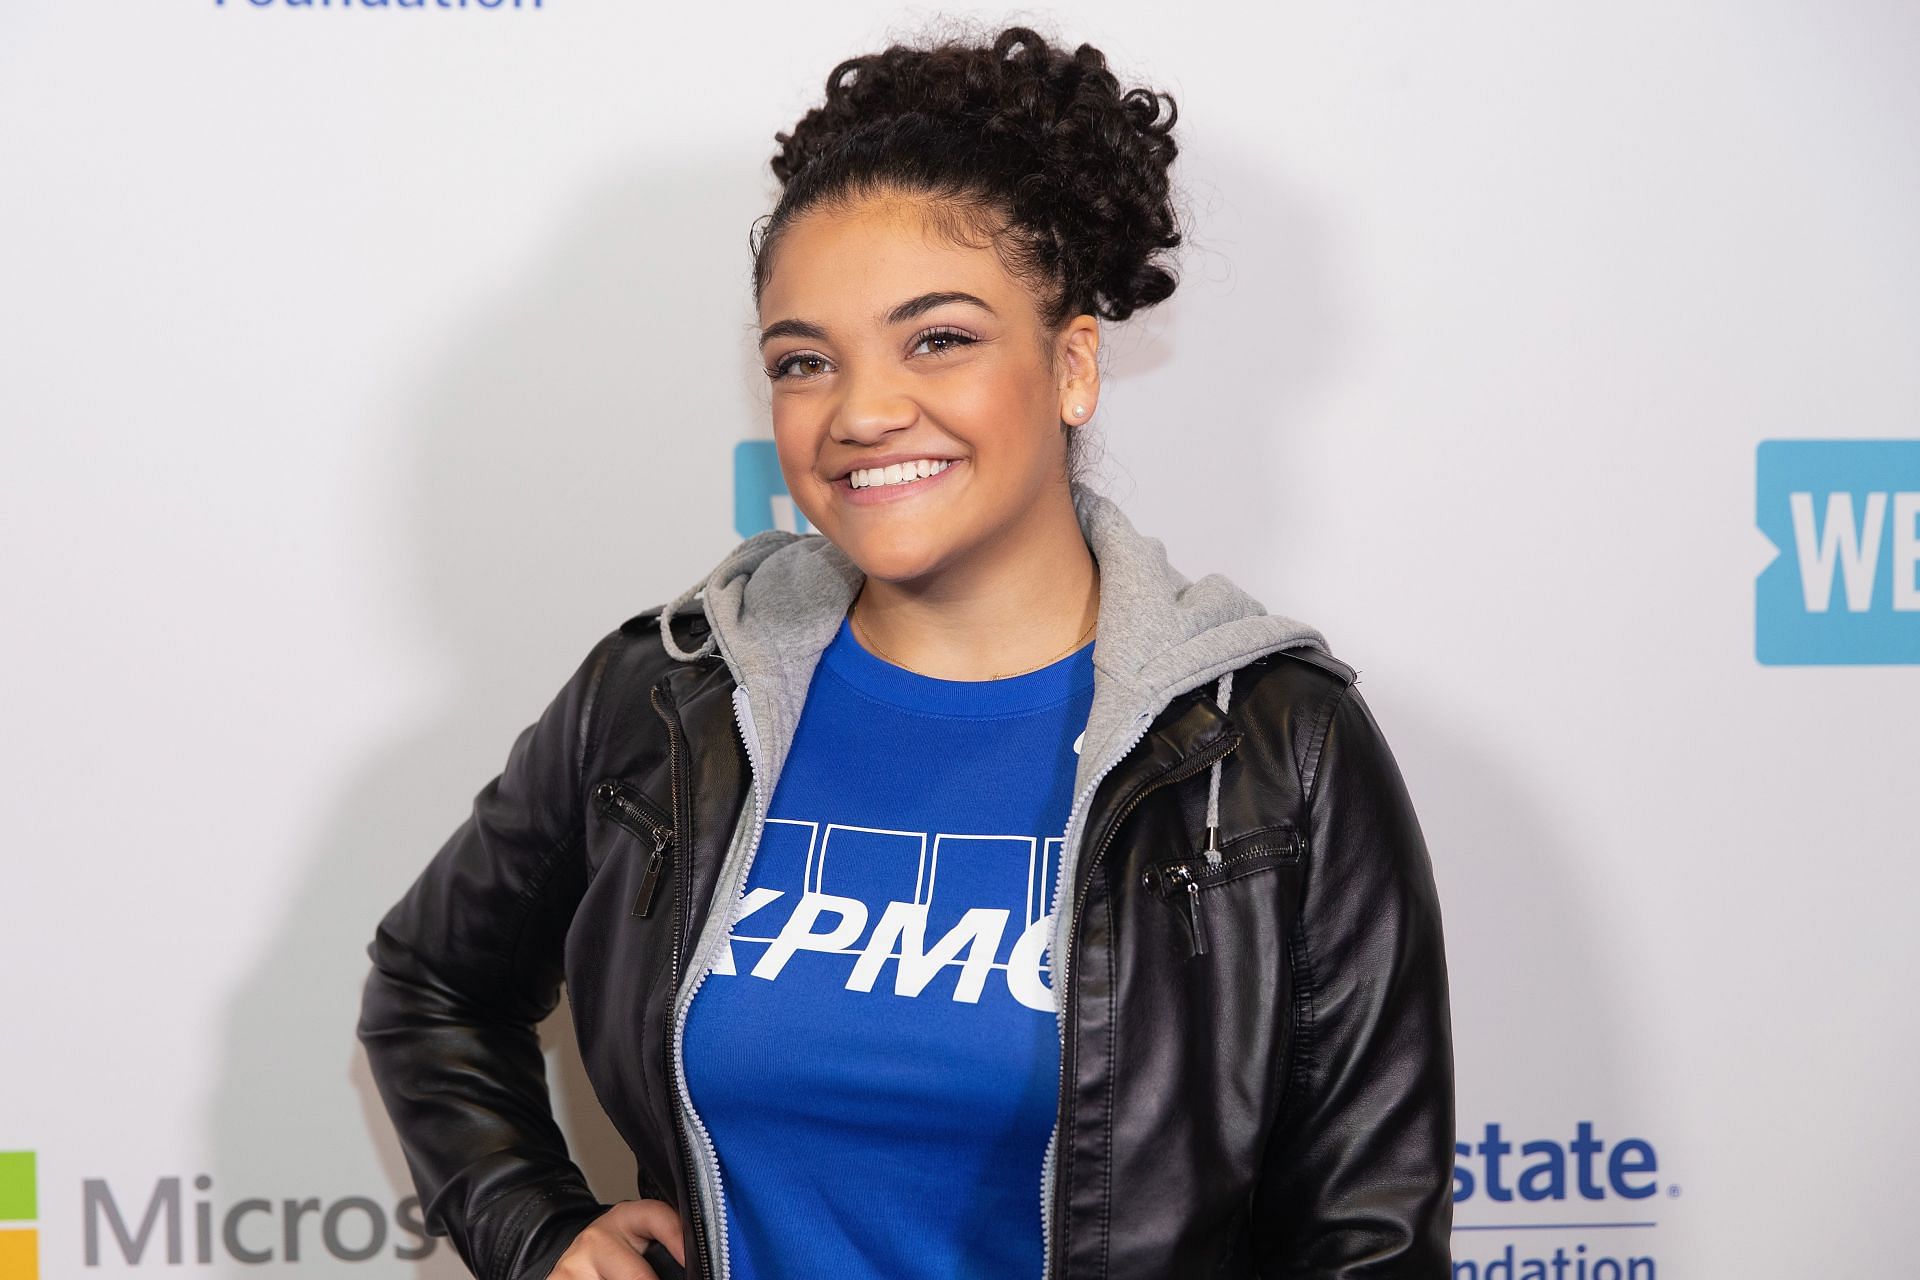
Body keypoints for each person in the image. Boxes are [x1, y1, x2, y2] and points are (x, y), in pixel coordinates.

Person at [357, 21, 1453, 1280]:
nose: (863, 410)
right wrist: (541, 1229)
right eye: (804, 360)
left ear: (1074, 362)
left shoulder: (1271, 746)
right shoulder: (666, 699)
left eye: (939, 337)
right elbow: (429, 984)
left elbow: (1369, 1236)